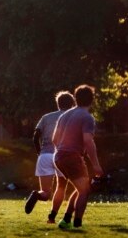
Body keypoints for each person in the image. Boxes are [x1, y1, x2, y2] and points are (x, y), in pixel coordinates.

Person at [52, 84, 103, 230]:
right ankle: (77, 224)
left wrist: (62, 152)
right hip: (71, 156)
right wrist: (96, 165)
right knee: (85, 191)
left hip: (58, 156)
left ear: (75, 99)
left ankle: (66, 220)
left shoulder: (64, 115)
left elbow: (55, 139)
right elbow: (88, 141)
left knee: (82, 187)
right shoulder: (87, 117)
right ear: (92, 100)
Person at [25, 91, 75, 222]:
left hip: (45, 155)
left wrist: (39, 152)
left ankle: (36, 195)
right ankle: (52, 217)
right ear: (72, 104)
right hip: (61, 156)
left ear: (58, 104)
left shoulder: (46, 117)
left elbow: (35, 136)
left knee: (45, 193)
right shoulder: (72, 117)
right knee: (61, 186)